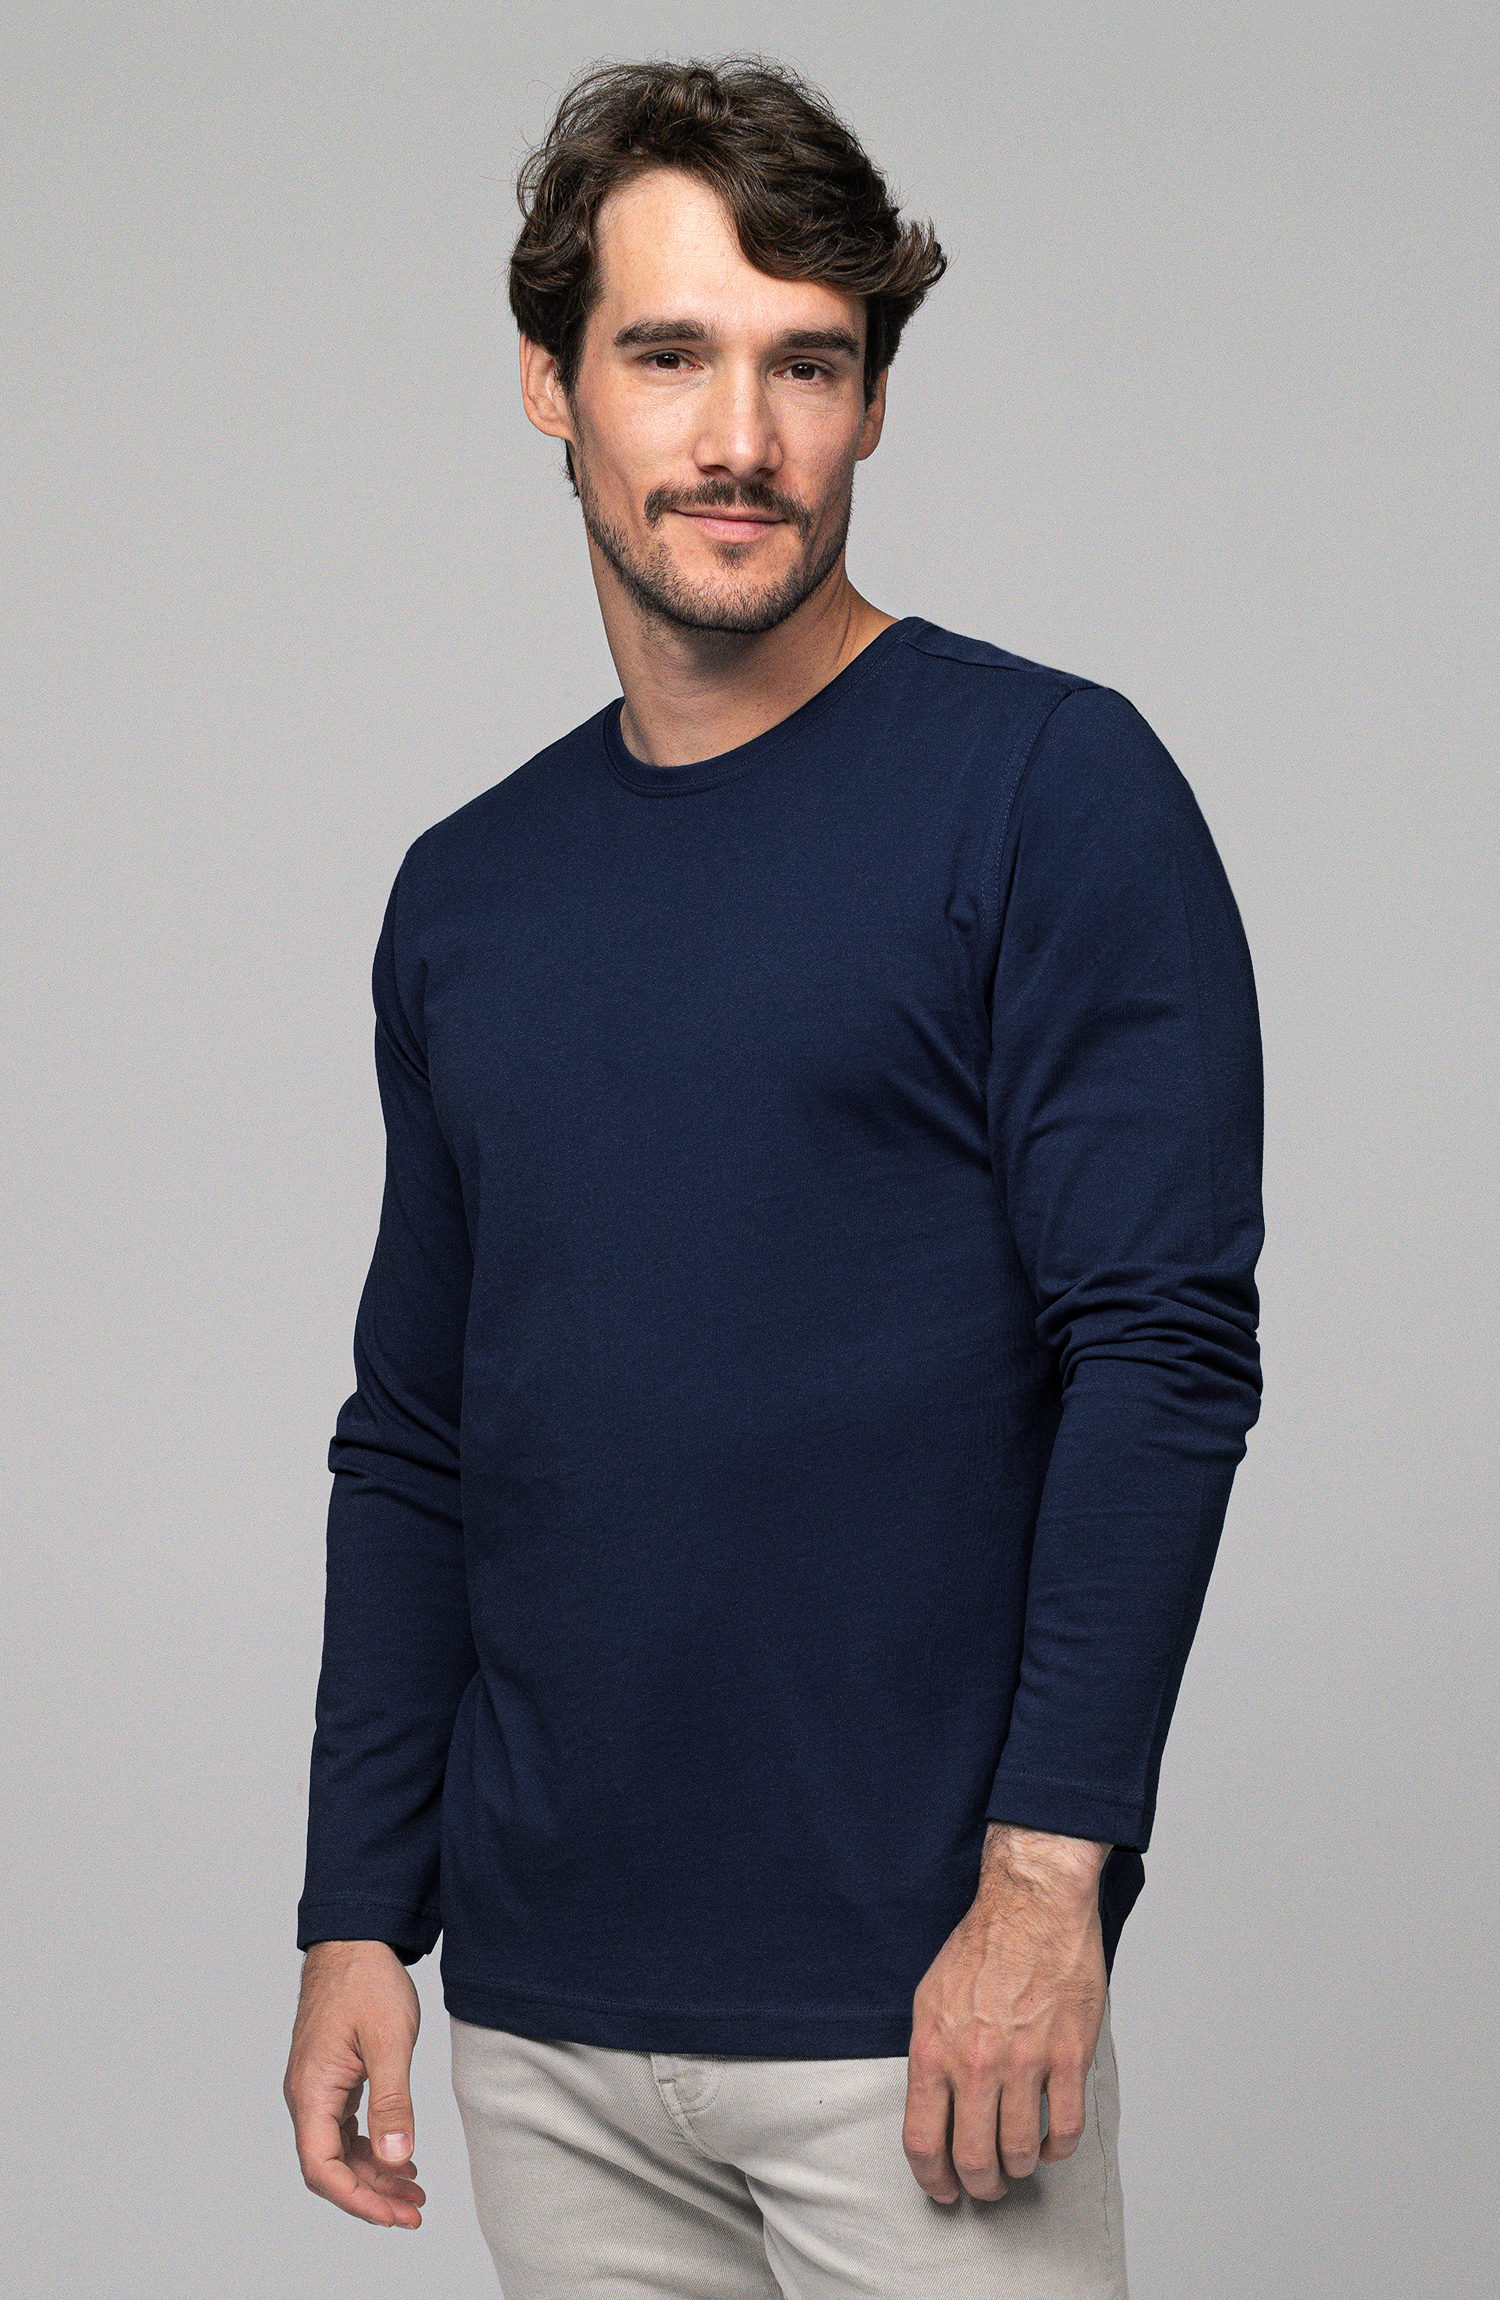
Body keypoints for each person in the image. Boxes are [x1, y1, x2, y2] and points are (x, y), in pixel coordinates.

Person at [283, 52, 1263, 2299]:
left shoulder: (1050, 788)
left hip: (919, 2012)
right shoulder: (468, 894)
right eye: (670, 355)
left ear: (873, 403)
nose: (741, 435)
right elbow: (419, 1429)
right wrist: (358, 1909)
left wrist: (1049, 1888)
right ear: (549, 383)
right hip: (544, 2017)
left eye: (806, 363)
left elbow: (1162, 1353)